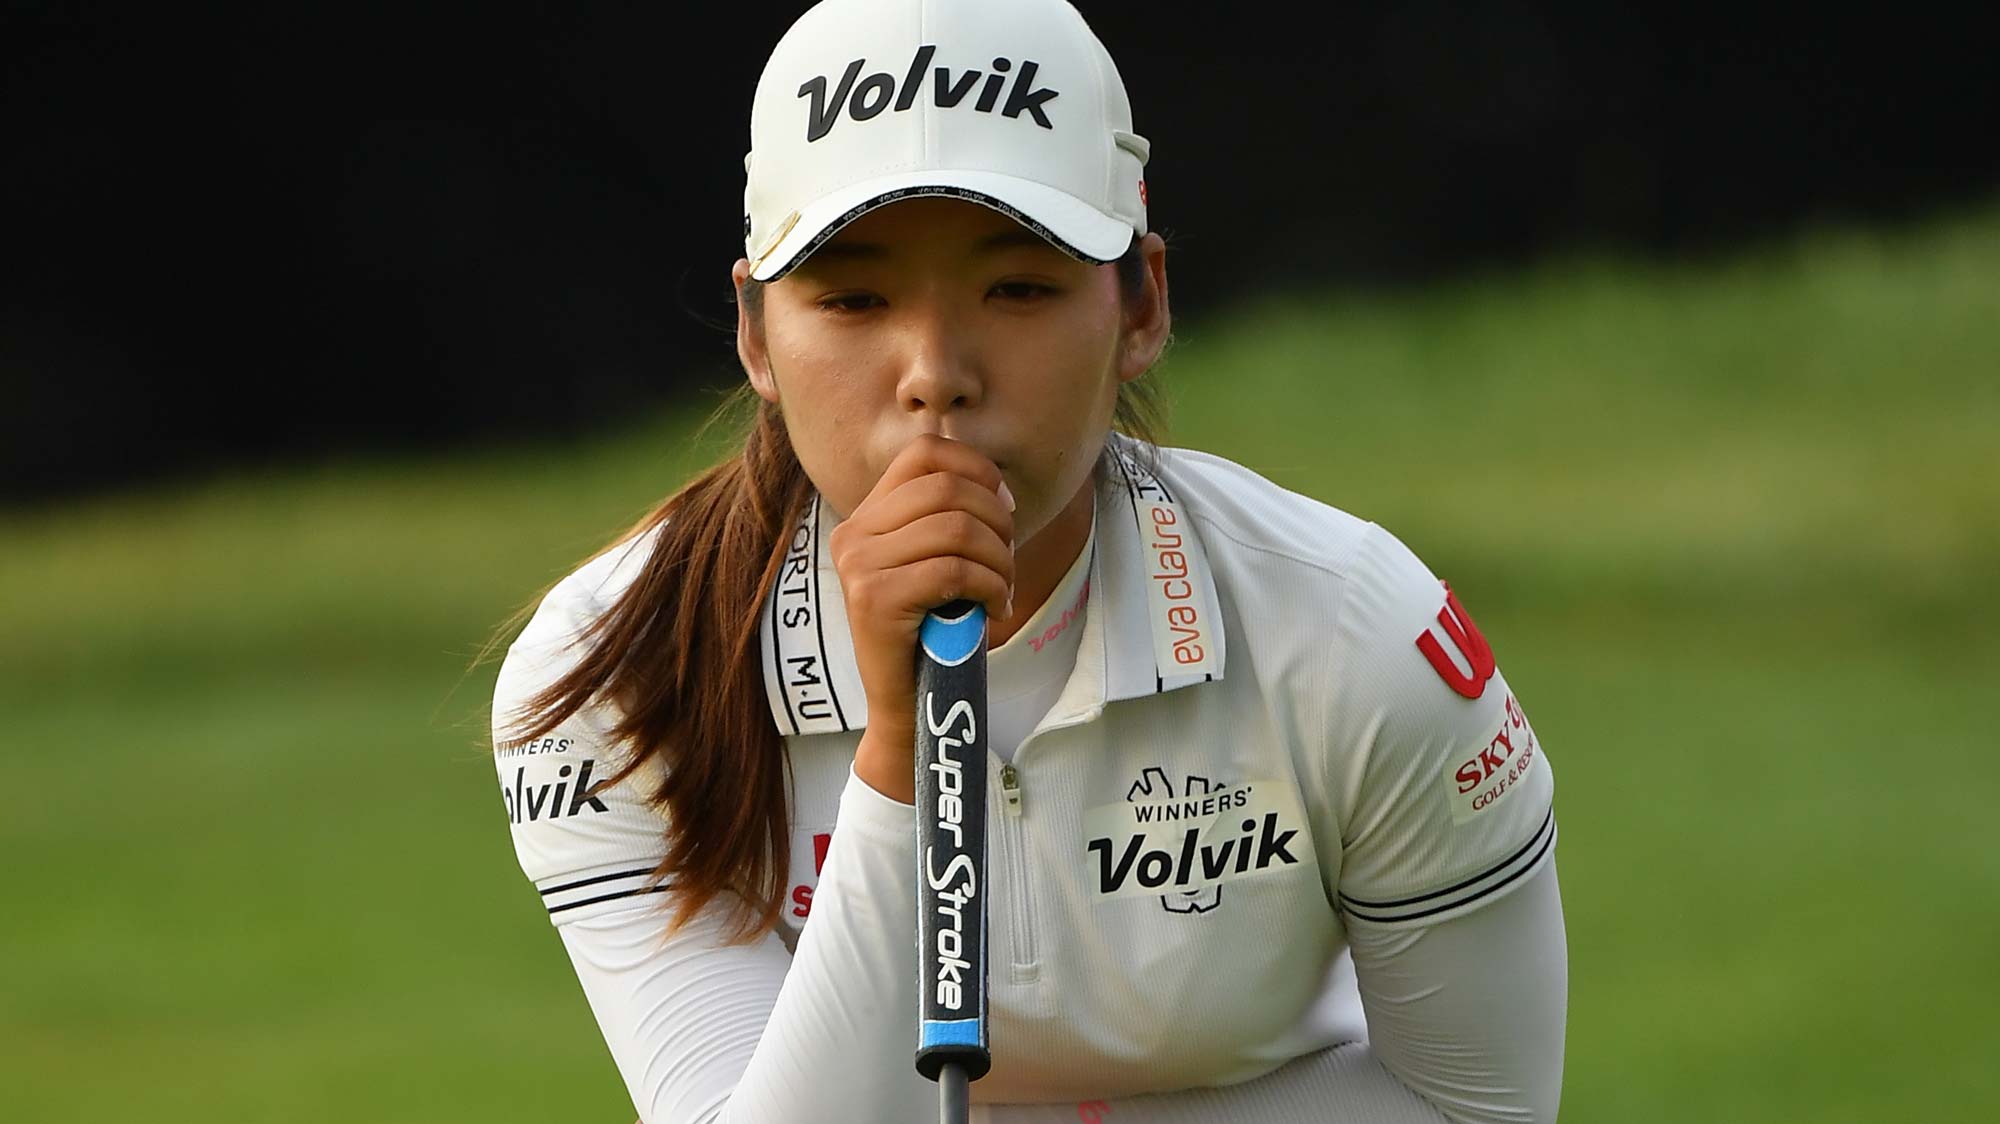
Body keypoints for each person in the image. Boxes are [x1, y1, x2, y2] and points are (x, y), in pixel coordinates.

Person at [487, 1, 1567, 1120]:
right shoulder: (610, 672)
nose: (933, 373)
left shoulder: (1352, 629)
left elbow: (1475, 1107)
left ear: (1139, 303)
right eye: (853, 297)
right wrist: (900, 754)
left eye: (1017, 288)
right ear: (757, 334)